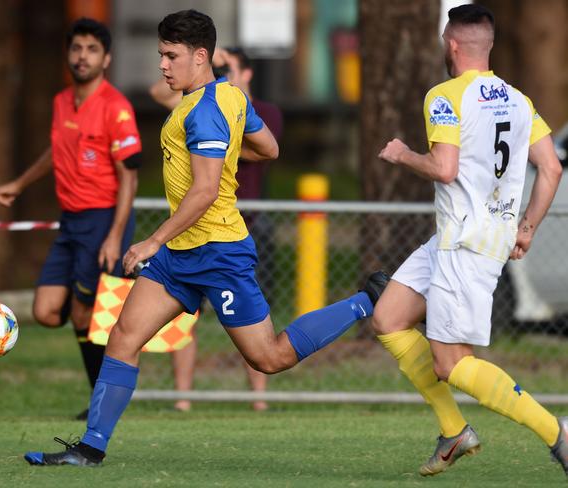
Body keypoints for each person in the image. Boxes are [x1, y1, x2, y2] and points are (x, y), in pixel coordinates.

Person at [24, 9, 387, 466]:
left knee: (269, 358)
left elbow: (205, 191)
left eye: (170, 56)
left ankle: (367, 300)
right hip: (180, 255)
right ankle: (90, 448)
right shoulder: (229, 96)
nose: (161, 65)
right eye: (160, 54)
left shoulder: (207, 111)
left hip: (218, 253)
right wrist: (233, 154)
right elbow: (270, 148)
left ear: (200, 56)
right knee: (123, 338)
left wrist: (150, 241)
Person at [373, 4, 567, 478]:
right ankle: (454, 430)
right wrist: (526, 229)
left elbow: (444, 168)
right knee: (388, 317)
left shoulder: (445, 95)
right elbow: (553, 167)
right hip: (459, 237)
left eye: (444, 42)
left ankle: (557, 433)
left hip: (467, 244)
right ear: (488, 46)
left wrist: (402, 155)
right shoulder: (519, 100)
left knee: (452, 365)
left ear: (452, 45)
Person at [0, 18, 143, 420]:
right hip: (70, 222)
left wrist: (115, 237)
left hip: (102, 220)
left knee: (81, 312)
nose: (82, 56)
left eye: (92, 49)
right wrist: (19, 184)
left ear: (106, 58)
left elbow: (130, 175)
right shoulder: (62, 102)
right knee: (46, 311)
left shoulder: (116, 107)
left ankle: (103, 400)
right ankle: (100, 320)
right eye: (76, 48)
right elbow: (55, 151)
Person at [150, 46, 284, 412]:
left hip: (240, 229)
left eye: (229, 67)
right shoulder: (193, 105)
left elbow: (269, 149)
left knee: (258, 339)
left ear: (247, 73)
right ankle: (182, 398)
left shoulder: (246, 107)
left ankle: (258, 399)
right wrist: (201, 68)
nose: (222, 71)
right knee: (177, 323)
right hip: (191, 232)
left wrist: (220, 139)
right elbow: (158, 93)